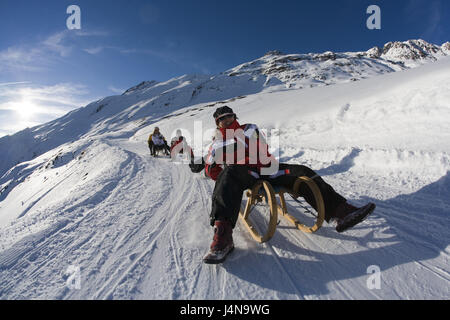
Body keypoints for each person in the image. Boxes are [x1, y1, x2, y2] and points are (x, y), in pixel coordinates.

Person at [189, 106, 376, 264]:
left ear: (234, 117)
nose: (226, 120)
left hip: (267, 168)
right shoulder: (216, 143)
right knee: (228, 174)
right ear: (217, 123)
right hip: (243, 173)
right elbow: (212, 169)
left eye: (229, 116)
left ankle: (340, 212)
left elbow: (261, 149)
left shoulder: (249, 129)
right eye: (221, 119)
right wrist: (219, 168)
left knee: (302, 171)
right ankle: (223, 235)